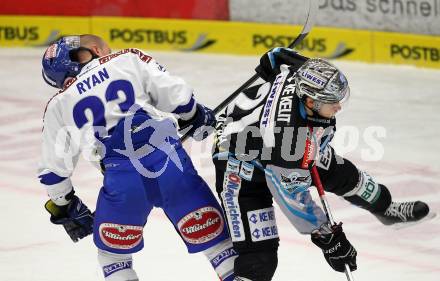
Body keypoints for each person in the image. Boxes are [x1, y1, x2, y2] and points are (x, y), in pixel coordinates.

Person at [211, 47, 431, 281]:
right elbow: (293, 199)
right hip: (239, 167)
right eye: (332, 102)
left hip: (279, 144)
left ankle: (385, 209)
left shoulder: (303, 73)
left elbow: (276, 55)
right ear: (309, 101)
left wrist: (268, 66)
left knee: (345, 176)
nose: (338, 107)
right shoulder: (289, 140)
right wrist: (329, 238)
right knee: (260, 259)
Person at [38, 34, 237, 281]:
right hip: (170, 164)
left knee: (113, 258)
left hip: (121, 181)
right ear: (96, 50)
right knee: (217, 244)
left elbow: (53, 172)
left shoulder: (58, 104)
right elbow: (178, 96)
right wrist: (195, 115)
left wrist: (65, 205)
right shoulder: (126, 59)